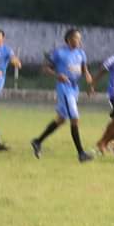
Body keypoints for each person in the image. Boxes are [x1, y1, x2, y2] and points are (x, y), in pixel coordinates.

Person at [31, 28, 95, 163]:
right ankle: (81, 153)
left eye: (79, 38)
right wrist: (57, 75)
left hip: (74, 88)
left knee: (61, 119)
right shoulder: (59, 53)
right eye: (76, 38)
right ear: (69, 39)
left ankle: (37, 141)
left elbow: (84, 69)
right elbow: (45, 68)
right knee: (75, 118)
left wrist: (89, 79)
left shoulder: (81, 53)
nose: (79, 41)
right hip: (64, 89)